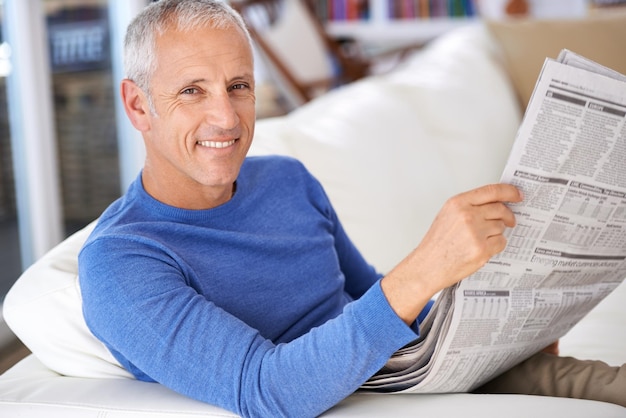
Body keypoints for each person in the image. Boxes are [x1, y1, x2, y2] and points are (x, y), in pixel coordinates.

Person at [77, 1, 625, 417]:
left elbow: (367, 292)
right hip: (338, 395)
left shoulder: (286, 179)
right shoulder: (122, 263)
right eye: (192, 91)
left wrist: (504, 322)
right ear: (137, 104)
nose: (226, 117)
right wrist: (426, 267)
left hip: (405, 370)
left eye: (238, 85)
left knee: (601, 382)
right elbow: (267, 389)